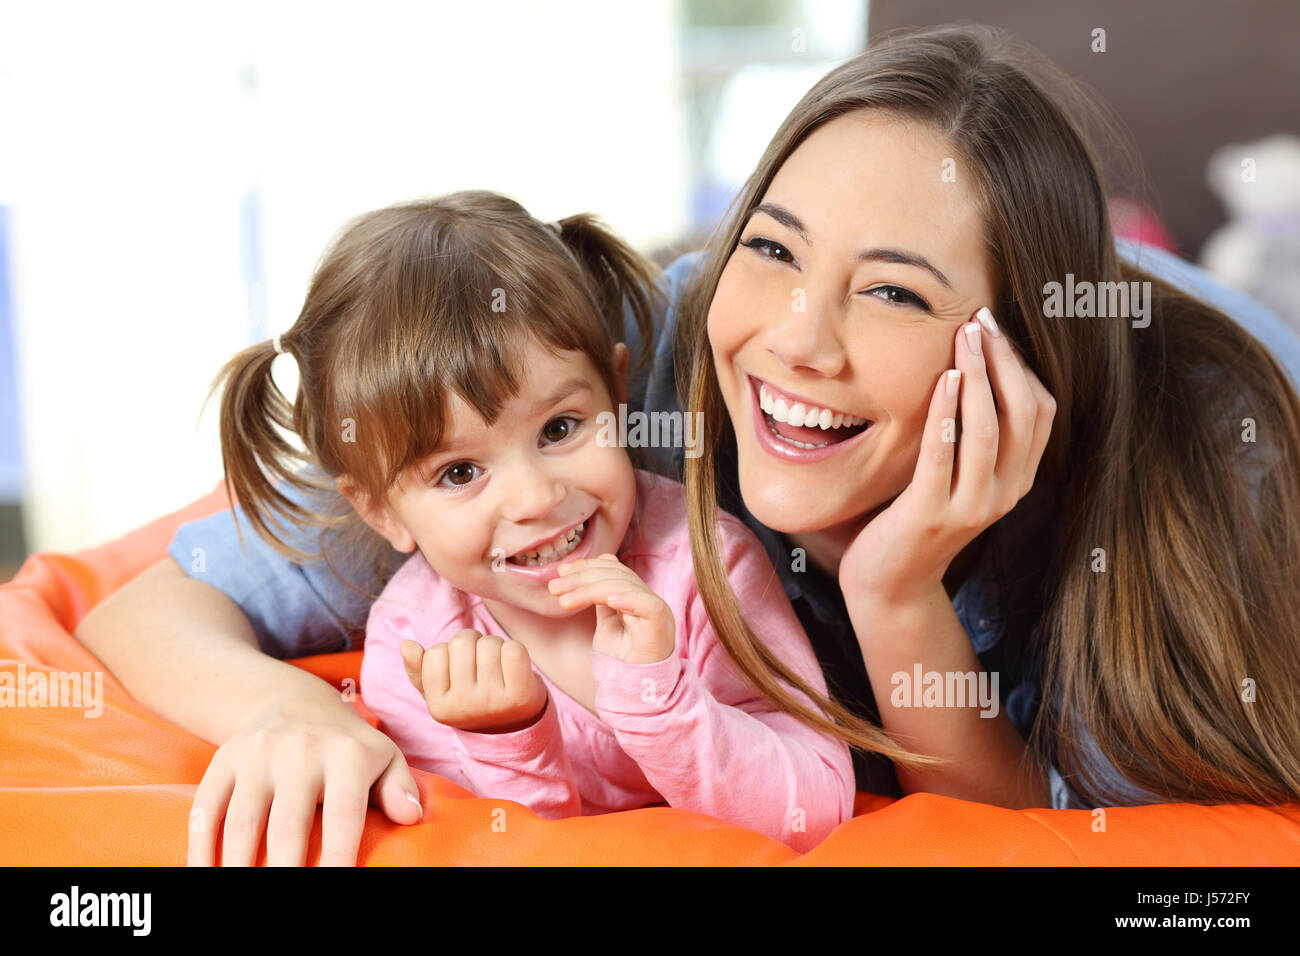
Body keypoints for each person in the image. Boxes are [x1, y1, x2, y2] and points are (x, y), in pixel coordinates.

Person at [76, 24, 1300, 866]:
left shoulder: (1192, 483)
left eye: (891, 293)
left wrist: (895, 591)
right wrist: (299, 718)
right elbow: (150, 609)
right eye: (769, 248)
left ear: (1014, 353)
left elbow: (1046, 837)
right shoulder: (624, 379)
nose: (793, 342)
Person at [197, 190, 856, 850]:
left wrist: (663, 704)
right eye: (459, 472)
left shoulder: (706, 565)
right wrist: (507, 740)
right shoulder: (415, 645)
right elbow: (501, 851)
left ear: (617, 393)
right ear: (381, 511)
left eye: (560, 428)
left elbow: (818, 805)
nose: (535, 498)